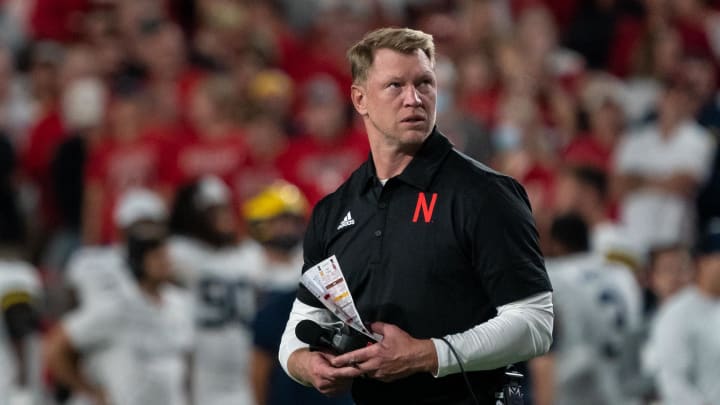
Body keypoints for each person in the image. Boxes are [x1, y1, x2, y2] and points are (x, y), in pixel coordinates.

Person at [278, 27, 554, 405]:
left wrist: (426, 354)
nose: (414, 99)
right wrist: (305, 364)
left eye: (425, 83)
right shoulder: (333, 210)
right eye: (395, 86)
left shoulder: (485, 194)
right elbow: (303, 319)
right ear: (360, 99)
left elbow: (535, 324)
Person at [44, 221, 194, 405]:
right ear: (139, 261)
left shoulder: (180, 303)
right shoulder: (117, 307)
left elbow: (185, 362)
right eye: (157, 256)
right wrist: (91, 391)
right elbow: (56, 347)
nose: (166, 262)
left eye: (166, 254)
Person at [244, 181, 353, 405]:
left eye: (293, 221)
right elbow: (260, 360)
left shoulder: (309, 262)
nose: (288, 228)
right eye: (281, 221)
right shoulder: (243, 262)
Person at [167, 175, 262, 405]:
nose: (223, 216)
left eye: (224, 208)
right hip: (201, 367)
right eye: (213, 210)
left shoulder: (249, 255)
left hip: (243, 365)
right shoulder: (178, 252)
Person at [530, 214, 642, 405]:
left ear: (557, 244)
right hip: (627, 383)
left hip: (579, 383)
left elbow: (545, 352)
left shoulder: (551, 273)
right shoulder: (621, 272)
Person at [642, 217, 720, 404]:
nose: (676, 276)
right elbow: (672, 381)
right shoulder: (676, 313)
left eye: (680, 268)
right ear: (704, 262)